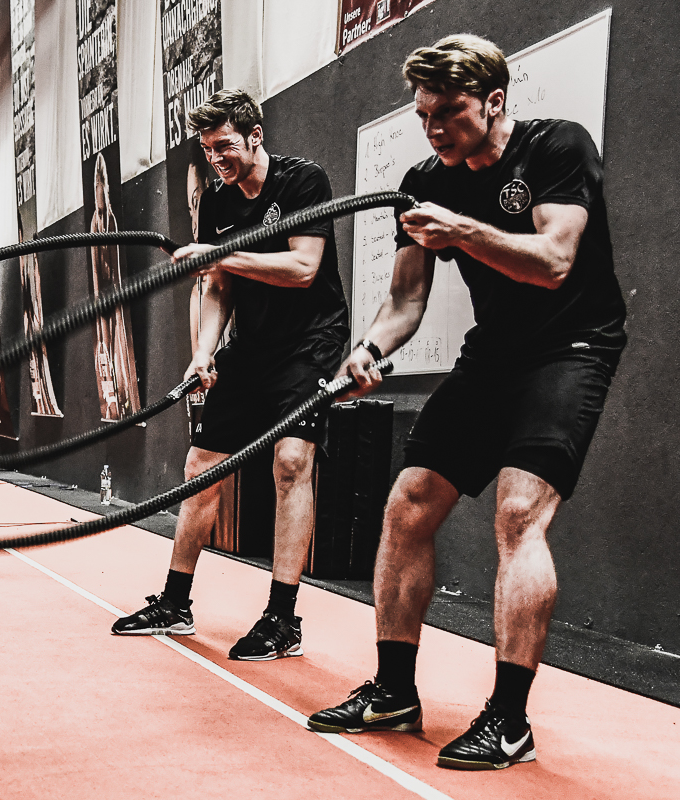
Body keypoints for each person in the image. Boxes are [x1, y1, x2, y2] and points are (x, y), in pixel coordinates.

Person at [306, 35, 626, 772]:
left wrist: (464, 230)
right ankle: (391, 691)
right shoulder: (426, 178)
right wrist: (368, 351)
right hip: (495, 353)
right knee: (408, 501)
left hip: (572, 347)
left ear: (494, 102)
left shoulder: (555, 149)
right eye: (424, 115)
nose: (435, 129)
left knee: (518, 512)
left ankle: (509, 721)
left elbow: (553, 263)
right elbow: (405, 300)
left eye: (449, 112)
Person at [110, 89, 350, 663]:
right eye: (207, 150)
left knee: (292, 463)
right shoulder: (217, 203)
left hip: (310, 343)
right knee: (200, 466)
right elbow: (218, 286)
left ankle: (282, 619)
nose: (216, 158)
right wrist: (202, 352)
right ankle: (174, 602)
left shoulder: (303, 182)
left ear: (254, 135)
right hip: (252, 345)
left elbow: (301, 268)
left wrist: (216, 255)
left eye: (224, 147)